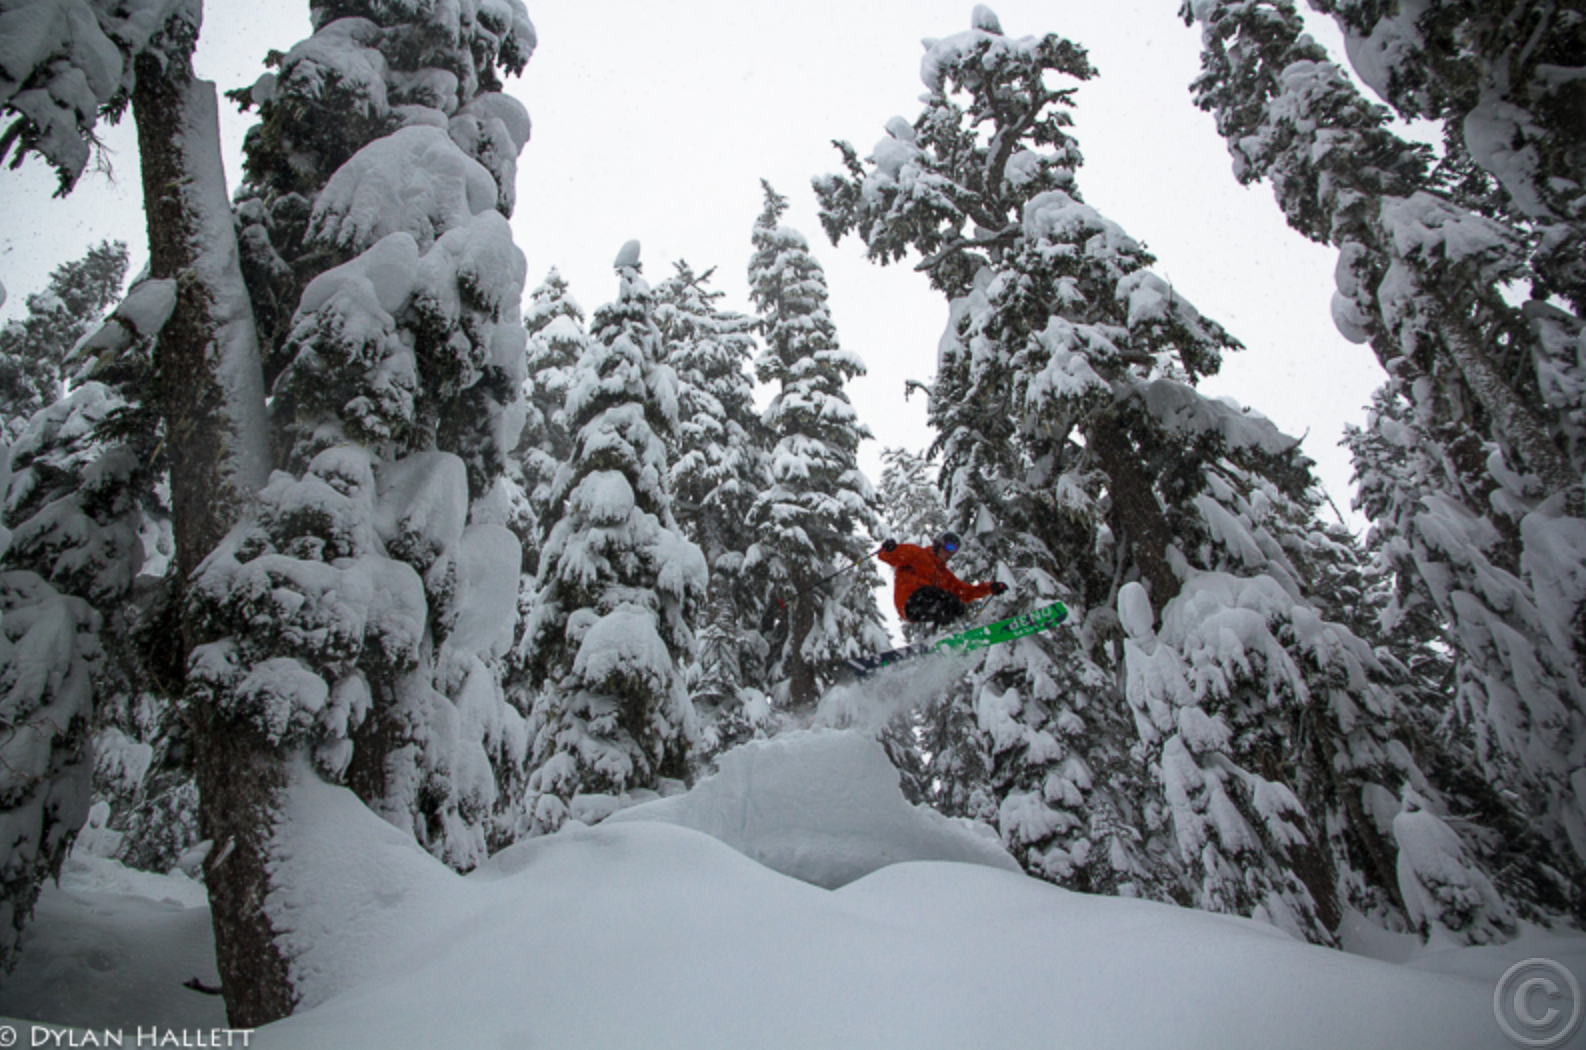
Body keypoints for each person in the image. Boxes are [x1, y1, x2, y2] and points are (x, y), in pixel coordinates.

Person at [877, 531, 1007, 627]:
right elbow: (891, 556)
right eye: (949, 547)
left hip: (924, 608)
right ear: (938, 544)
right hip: (911, 601)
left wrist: (990, 588)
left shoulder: (945, 575)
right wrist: (890, 549)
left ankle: (944, 636)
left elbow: (965, 592)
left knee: (955, 604)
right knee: (938, 595)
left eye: (955, 550)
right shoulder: (918, 554)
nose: (951, 553)